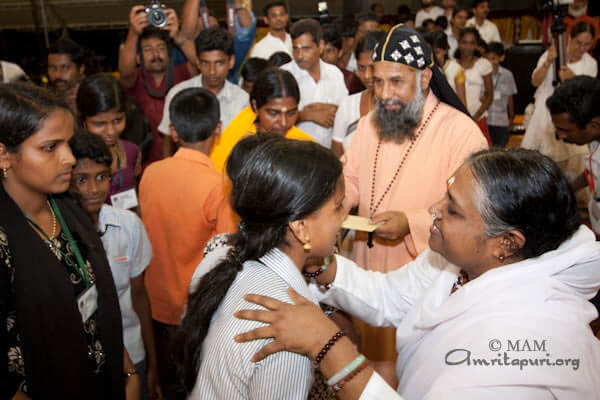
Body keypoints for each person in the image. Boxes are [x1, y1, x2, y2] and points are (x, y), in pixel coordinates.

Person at [235, 147, 600, 400]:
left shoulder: (525, 342)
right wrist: (323, 264)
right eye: (445, 195)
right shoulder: (466, 260)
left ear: (505, 242)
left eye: (453, 211)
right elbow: (391, 297)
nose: (432, 210)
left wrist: (327, 344)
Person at [340, 23, 487, 384]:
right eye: (377, 82)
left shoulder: (460, 132)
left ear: (424, 78)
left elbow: (473, 211)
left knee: (415, 377)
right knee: (369, 374)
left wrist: (411, 221)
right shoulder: (369, 123)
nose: (384, 93)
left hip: (426, 278)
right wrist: (332, 204)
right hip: (368, 270)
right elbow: (349, 180)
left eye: (396, 82)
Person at [173, 133, 347, 399]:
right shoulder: (287, 329)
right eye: (338, 207)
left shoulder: (242, 267)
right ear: (301, 228)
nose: (345, 216)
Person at [0, 83, 137, 399]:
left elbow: (97, 305)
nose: (69, 158)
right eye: (50, 147)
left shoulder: (65, 208)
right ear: (4, 154)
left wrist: (126, 369)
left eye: (69, 144)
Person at [139, 87, 236, 398]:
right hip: (196, 311)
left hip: (154, 306)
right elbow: (225, 256)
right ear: (218, 129)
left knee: (167, 386)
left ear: (173, 131)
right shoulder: (218, 186)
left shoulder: (150, 174)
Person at [69, 132, 161, 400]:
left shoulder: (128, 225)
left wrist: (153, 362)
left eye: (101, 177)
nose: (94, 189)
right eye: (82, 180)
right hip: (84, 359)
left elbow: (139, 295)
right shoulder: (60, 235)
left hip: (132, 348)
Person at [521, 21, 597, 180]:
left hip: (570, 117)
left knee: (568, 166)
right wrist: (548, 61)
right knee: (535, 162)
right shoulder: (553, 53)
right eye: (579, 43)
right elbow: (535, 81)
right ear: (570, 38)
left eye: (587, 45)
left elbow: (588, 96)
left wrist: (571, 79)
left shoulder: (590, 63)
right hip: (544, 111)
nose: (582, 49)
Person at [119, 5, 193, 165]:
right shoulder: (135, 79)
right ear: (138, 58)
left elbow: (201, 65)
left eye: (161, 48)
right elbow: (124, 73)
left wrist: (178, 35)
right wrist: (133, 33)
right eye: (148, 49)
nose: (155, 54)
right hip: (144, 164)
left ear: (169, 53)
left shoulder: (182, 73)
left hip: (180, 162)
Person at [158, 28, 249, 155]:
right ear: (197, 62)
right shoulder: (178, 94)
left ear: (231, 62)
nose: (212, 71)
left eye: (219, 63)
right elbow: (168, 141)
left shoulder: (243, 101)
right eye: (205, 63)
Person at [210, 67, 313, 173]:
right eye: (273, 113)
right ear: (255, 106)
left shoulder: (304, 147)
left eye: (291, 113)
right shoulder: (235, 142)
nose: (283, 123)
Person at [77, 74, 142, 209]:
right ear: (83, 122)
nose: (111, 131)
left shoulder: (132, 153)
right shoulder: (73, 160)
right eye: (100, 124)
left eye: (117, 120)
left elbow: (134, 202)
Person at [282, 19, 348, 148]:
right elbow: (273, 121)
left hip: (328, 153)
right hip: (293, 154)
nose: (299, 55)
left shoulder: (334, 73)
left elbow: (345, 112)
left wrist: (331, 110)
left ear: (321, 46)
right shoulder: (283, 75)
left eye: (306, 49)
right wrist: (305, 115)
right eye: (295, 49)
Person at [547, 76, 600, 234]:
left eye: (566, 130)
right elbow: (592, 172)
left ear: (594, 125)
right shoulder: (594, 139)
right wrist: (569, 187)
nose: (560, 135)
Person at [331, 31, 385, 155]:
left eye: (372, 67)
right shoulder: (348, 105)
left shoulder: (403, 106)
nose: (367, 76)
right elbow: (337, 157)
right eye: (361, 67)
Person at [179, 0, 256, 84]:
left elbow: (246, 32)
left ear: (231, 62)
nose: (212, 71)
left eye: (215, 30)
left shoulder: (229, 50)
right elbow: (186, 35)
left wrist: (237, 5)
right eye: (204, 31)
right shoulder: (181, 51)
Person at [456, 27, 493, 143]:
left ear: (476, 45)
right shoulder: (451, 65)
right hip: (456, 120)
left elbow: (489, 95)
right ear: (459, 43)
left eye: (472, 43)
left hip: (478, 118)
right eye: (464, 42)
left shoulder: (483, 64)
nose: (467, 47)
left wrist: (475, 117)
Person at [485, 42, 517, 147]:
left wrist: (511, 117)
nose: (490, 62)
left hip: (501, 120)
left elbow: (510, 97)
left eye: (493, 59)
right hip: (486, 120)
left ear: (501, 58)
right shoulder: (483, 74)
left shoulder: (507, 75)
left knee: (500, 150)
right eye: (487, 59)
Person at [425, 31, 467, 108]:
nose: (433, 56)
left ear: (445, 50)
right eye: (431, 53)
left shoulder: (455, 69)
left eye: (436, 53)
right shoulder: (426, 69)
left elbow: (462, 102)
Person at [322, 25, 365, 95]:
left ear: (340, 53)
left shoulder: (349, 79)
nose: (324, 57)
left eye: (329, 51)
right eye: (320, 52)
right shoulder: (310, 79)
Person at [47, 38, 86, 111]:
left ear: (81, 69)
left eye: (65, 68)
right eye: (52, 68)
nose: (57, 75)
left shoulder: (94, 97)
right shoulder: (44, 99)